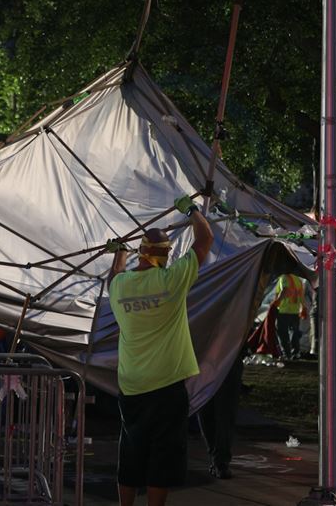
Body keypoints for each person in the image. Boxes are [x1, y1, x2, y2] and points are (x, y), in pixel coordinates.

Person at [106, 195, 213, 506]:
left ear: (141, 252)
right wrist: (192, 210)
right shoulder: (172, 279)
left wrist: (119, 254)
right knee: (163, 454)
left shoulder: (120, 287)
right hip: (166, 384)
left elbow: (115, 275)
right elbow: (205, 239)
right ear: (167, 255)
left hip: (132, 384)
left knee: (131, 449)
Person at [197, 353, 244, 479]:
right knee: (218, 410)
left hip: (211, 357)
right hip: (221, 357)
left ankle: (218, 458)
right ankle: (219, 459)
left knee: (211, 409)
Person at [272, 273, 310, 360]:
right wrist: (303, 307)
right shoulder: (298, 280)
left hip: (283, 310)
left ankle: (286, 354)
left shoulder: (284, 277)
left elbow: (284, 290)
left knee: (282, 333)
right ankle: (295, 352)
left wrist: (277, 302)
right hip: (295, 311)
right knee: (294, 332)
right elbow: (301, 295)